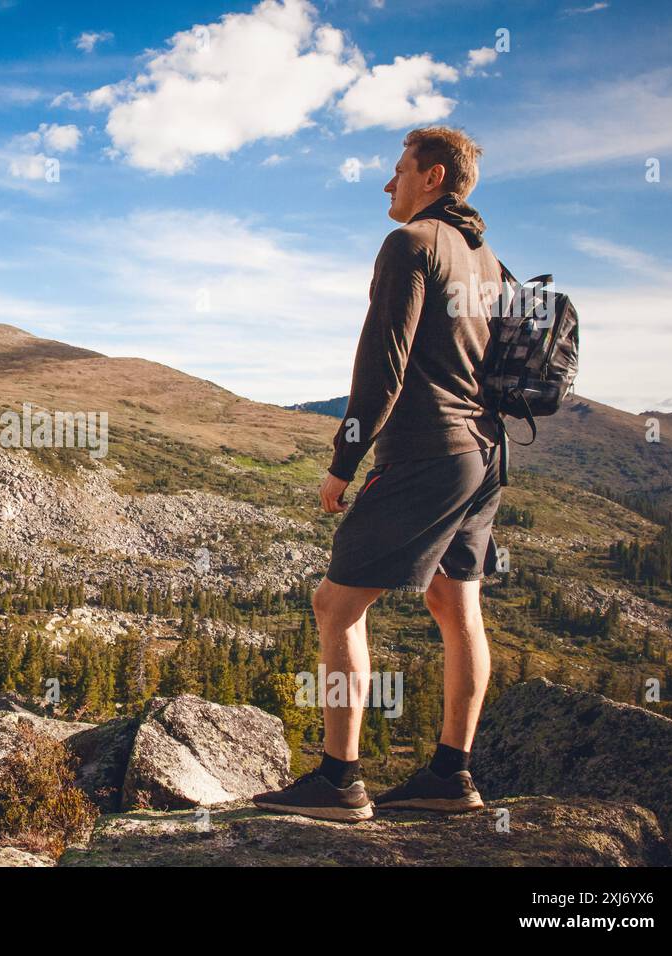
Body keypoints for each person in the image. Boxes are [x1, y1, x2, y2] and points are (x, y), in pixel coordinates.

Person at [253, 126, 503, 822]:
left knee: (334, 606)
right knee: (457, 608)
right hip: (484, 453)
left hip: (428, 451)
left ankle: (339, 780)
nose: (387, 183)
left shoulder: (411, 244)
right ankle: (451, 776)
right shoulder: (486, 257)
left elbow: (382, 370)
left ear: (433, 176)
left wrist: (343, 463)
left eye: (398, 170)